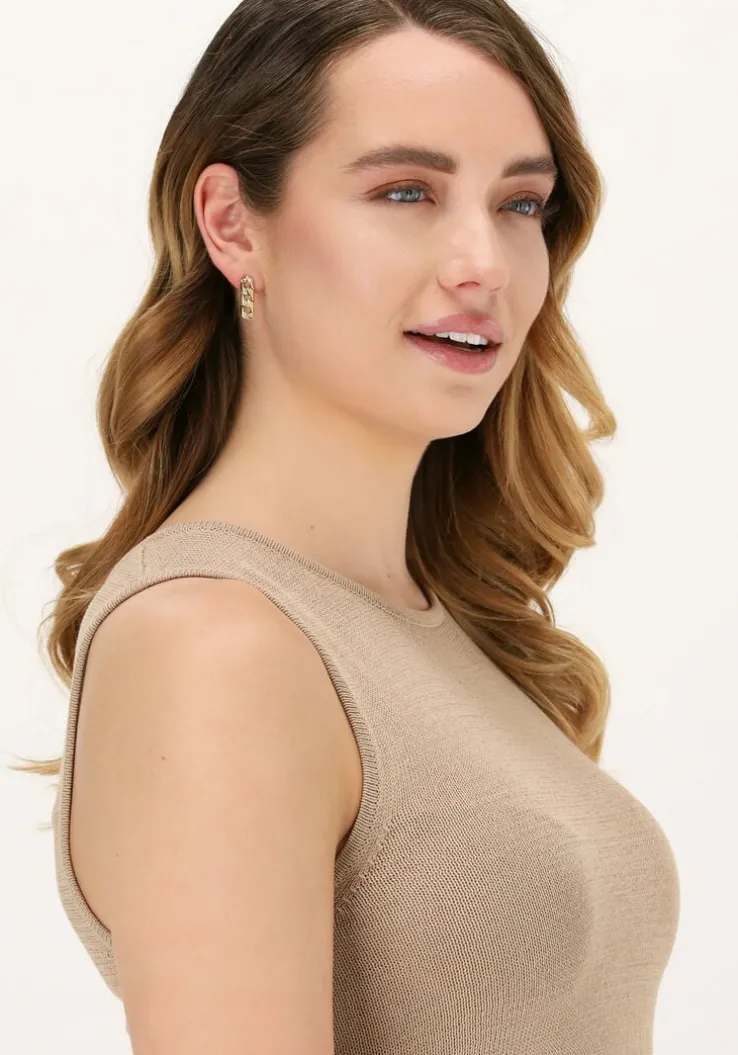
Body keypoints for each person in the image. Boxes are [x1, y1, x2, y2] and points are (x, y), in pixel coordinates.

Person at [15, 1, 680, 1052]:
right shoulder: (214, 644)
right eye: (405, 192)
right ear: (233, 224)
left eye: (520, 203)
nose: (485, 262)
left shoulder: (436, 625)